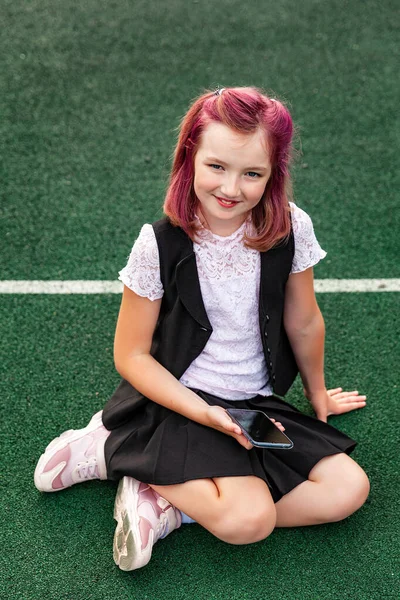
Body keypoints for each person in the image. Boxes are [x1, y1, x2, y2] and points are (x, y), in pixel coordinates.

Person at [34, 86, 369, 572]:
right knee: (247, 521)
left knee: (347, 491)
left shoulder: (290, 226)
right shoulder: (158, 244)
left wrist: (317, 394)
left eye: (252, 173)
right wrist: (206, 414)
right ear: (190, 156)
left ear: (274, 174)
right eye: (217, 166)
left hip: (254, 404)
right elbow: (131, 356)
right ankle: (108, 447)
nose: (231, 188)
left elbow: (303, 319)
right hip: (179, 400)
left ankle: (167, 505)